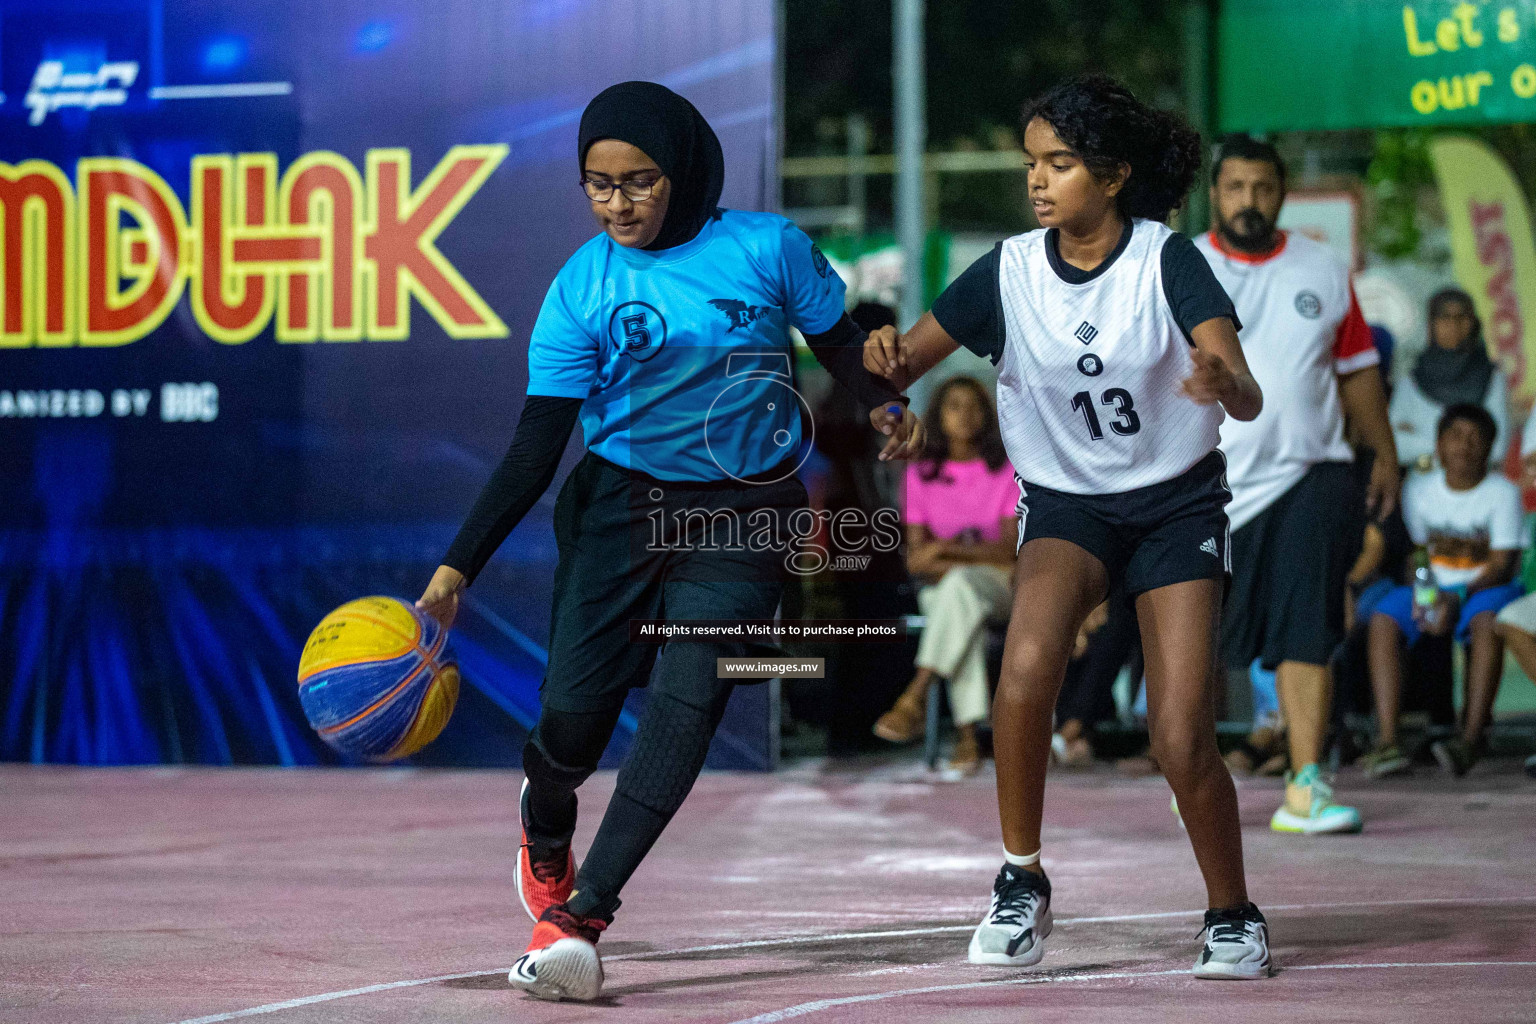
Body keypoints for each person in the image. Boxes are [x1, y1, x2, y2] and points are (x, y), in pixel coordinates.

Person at [414, 82, 923, 1002]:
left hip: (745, 507)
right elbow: (538, 446)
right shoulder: (581, 286)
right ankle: (548, 817)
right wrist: (459, 564)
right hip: (618, 509)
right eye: (599, 185)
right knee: (569, 727)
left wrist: (887, 403)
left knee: (693, 693)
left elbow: (841, 346)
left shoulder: (767, 249)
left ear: (682, 172)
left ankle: (580, 919)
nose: (619, 203)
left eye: (639, 181)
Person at [866, 75, 1271, 979]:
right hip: (1066, 505)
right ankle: (1020, 882)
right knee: (1024, 673)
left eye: (1060, 164)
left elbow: (1244, 391)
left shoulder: (1167, 261)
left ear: (1115, 175)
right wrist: (891, 395)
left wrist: (1221, 380)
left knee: (1178, 736)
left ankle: (1233, 913)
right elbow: (899, 371)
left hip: (1176, 505)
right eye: (1031, 165)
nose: (1038, 182)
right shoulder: (1007, 272)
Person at [1195, 134, 1399, 835]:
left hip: (1313, 472)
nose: (1249, 201)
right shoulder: (1184, 265)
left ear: (1282, 193)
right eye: (1235, 188)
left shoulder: (1321, 265)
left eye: (1262, 187)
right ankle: (1196, 772)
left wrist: (1387, 454)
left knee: (1309, 629)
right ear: (1215, 193)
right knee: (1195, 640)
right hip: (1205, 486)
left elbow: (1358, 369)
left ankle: (1305, 785)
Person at [1365, 405, 1525, 778]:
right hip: (1433, 587)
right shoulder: (1419, 491)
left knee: (1488, 622)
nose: (1463, 447)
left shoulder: (1503, 493)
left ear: (1489, 447)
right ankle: (1388, 742)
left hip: (1485, 589)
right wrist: (1426, 597)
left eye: (1474, 439)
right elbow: (1417, 555)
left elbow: (1501, 566)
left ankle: (1469, 741)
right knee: (1384, 617)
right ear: (1438, 445)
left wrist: (1458, 598)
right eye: (1455, 437)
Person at [872, 376, 1018, 774]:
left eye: (973, 406)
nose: (965, 415)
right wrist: (962, 556)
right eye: (954, 405)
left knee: (956, 592)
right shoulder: (921, 474)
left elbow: (1008, 553)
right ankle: (969, 738)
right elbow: (916, 563)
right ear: (939, 415)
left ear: (987, 416)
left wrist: (943, 548)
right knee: (957, 601)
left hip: (1003, 586)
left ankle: (916, 695)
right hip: (948, 588)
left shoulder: (1006, 471)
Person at [1391, 288, 1512, 471]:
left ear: (1473, 323)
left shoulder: (1492, 378)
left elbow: (1497, 449)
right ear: (1431, 324)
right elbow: (1395, 446)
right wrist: (1466, 445)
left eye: (1462, 317)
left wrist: (1419, 440)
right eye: (1445, 317)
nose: (1453, 324)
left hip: (1478, 487)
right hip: (1421, 489)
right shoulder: (1412, 380)